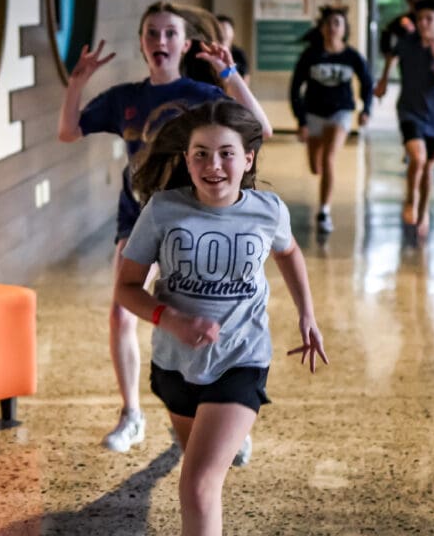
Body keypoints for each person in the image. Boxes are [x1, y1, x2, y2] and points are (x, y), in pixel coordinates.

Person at [57, 0, 273, 454]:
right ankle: (132, 414)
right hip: (138, 214)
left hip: (196, 219)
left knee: (213, 314)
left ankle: (231, 416)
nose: (160, 41)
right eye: (152, 33)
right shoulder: (126, 99)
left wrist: (230, 76)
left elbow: (260, 128)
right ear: (141, 42)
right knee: (121, 310)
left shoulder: (202, 94)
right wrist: (76, 83)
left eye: (170, 33)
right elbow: (69, 131)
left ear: (185, 44)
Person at [116, 100, 328, 535]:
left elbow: (288, 251)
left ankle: (233, 430)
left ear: (247, 158)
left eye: (226, 153)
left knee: (197, 486)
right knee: (196, 456)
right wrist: (169, 319)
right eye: (201, 154)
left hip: (241, 358)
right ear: (187, 159)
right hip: (175, 364)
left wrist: (307, 313)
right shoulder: (161, 210)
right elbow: (125, 288)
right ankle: (231, 437)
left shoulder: (267, 210)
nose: (214, 165)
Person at [375, 0, 434, 235]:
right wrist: (382, 82)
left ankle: (424, 213)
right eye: (420, 19)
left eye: (429, 19)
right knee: (418, 158)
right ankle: (410, 200)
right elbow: (391, 58)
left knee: (428, 167)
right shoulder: (406, 42)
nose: (423, 23)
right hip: (409, 111)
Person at [289, 6, 373, 233]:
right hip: (314, 111)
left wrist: (366, 109)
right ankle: (322, 197)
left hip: (341, 111)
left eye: (338, 23)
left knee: (328, 159)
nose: (333, 27)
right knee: (315, 167)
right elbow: (295, 88)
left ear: (345, 29)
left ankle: (324, 211)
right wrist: (301, 121)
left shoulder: (352, 56)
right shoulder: (310, 55)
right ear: (322, 28)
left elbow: (367, 83)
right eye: (329, 23)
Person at [373, 0, 428, 99]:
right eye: (413, 1)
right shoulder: (404, 21)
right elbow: (387, 34)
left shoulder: (430, 19)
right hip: (409, 60)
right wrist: (387, 52)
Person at [217, 15, 250, 84]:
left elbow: (245, 77)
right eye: (220, 30)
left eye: (227, 29)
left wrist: (224, 73)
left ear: (233, 33)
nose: (224, 34)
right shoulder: (208, 53)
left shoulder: (238, 54)